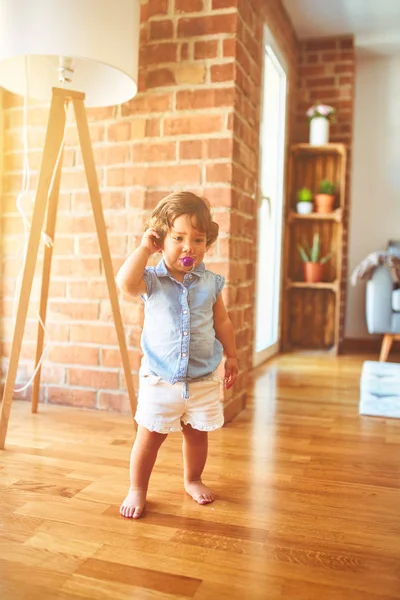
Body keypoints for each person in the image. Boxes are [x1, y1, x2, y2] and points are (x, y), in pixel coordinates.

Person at [116, 191, 238, 519]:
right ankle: (138, 488)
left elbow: (222, 320)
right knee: (149, 436)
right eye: (179, 237)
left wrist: (232, 354)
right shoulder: (152, 280)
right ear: (161, 239)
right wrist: (144, 248)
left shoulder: (210, 283)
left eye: (198, 240)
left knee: (197, 435)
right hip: (161, 379)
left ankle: (193, 478)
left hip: (201, 378)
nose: (189, 247)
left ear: (207, 244)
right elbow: (125, 284)